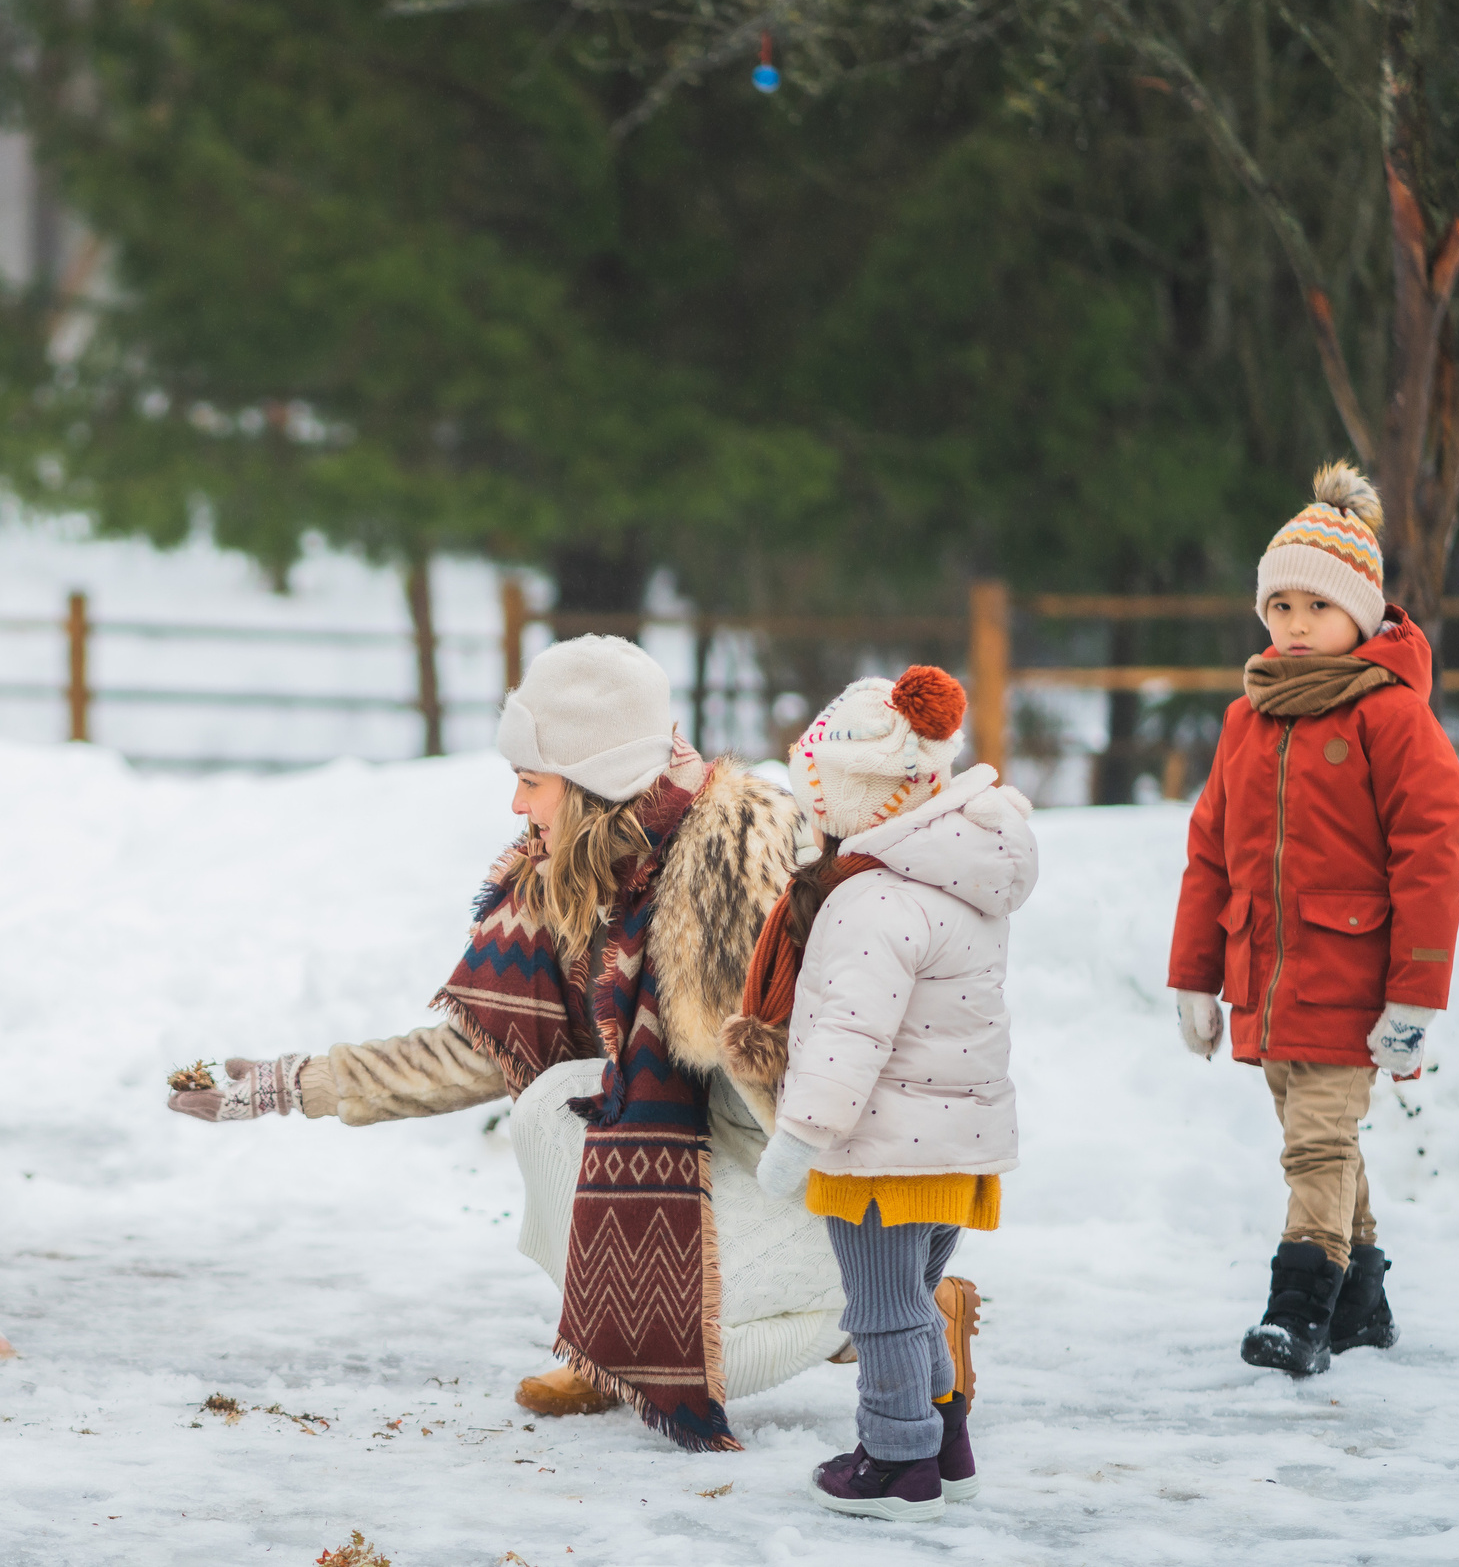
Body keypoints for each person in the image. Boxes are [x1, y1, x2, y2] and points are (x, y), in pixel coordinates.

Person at [168, 632, 852, 1452]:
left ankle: (878, 1311)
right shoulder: (577, 873)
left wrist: (879, 1238)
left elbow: (835, 1071)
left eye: (532, 782)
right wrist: (292, 1083)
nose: (518, 808)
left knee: (677, 1360)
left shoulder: (743, 865)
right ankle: (620, 1340)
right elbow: (482, 1053)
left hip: (822, 1182)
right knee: (550, 1103)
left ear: (596, 783)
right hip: (712, 1166)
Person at [1167, 462, 1459, 1377]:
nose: (1295, 625)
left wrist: (1414, 994)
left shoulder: (1391, 718)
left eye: (1316, 607)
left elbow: (1432, 856)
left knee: (1318, 1145)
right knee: (1317, 1139)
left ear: (1363, 616)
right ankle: (1363, 1302)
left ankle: (1297, 1309)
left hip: (1354, 980)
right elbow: (1209, 850)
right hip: (1267, 974)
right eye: (1280, 607)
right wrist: (1194, 973)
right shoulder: (1247, 719)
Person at [750, 665, 1033, 1523]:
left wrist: (798, 1137)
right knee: (912, 1301)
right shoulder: (959, 876)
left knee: (882, 1311)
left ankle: (897, 1462)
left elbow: (851, 1034)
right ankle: (947, 1446)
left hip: (883, 1149)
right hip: (948, 1144)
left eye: (820, 795)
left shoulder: (873, 898)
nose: (813, 813)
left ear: (861, 794)